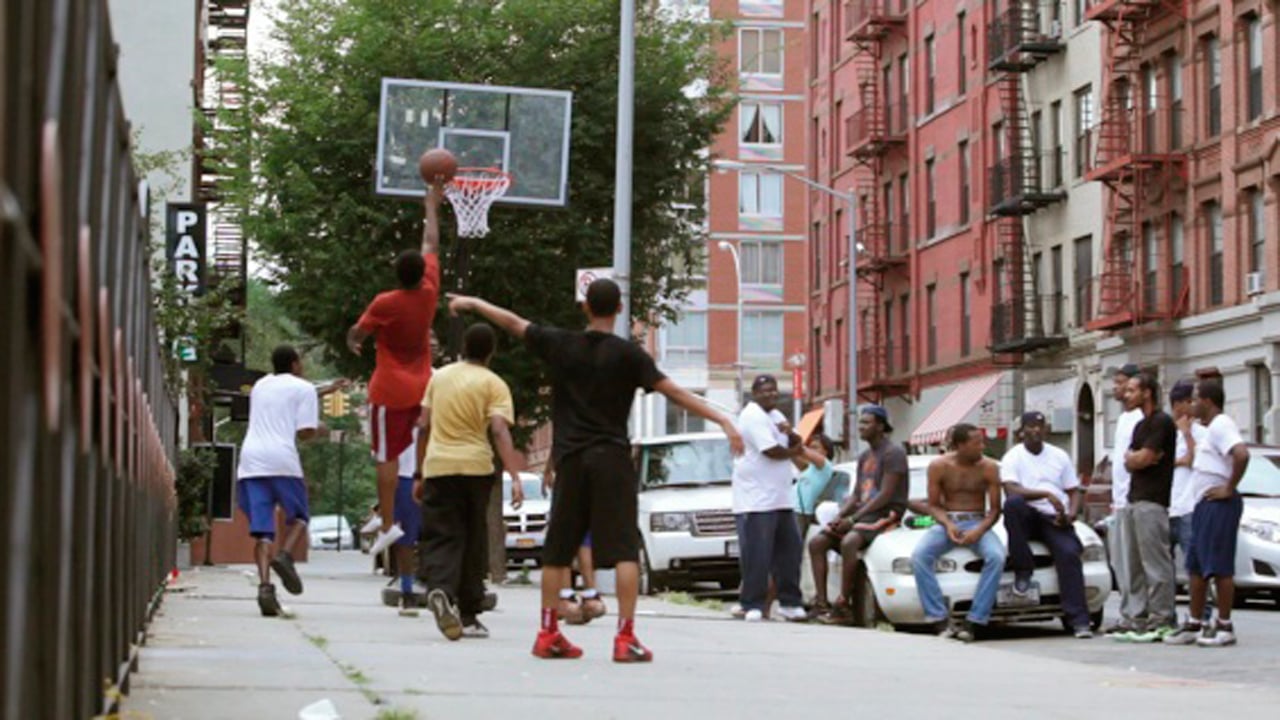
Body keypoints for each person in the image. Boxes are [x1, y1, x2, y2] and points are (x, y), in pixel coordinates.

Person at [448, 279, 743, 662]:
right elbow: (675, 392)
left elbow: (514, 323)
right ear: (619, 310)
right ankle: (625, 638)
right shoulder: (629, 355)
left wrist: (474, 301)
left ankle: (548, 633)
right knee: (623, 550)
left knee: (557, 551)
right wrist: (722, 419)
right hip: (612, 459)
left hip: (571, 460)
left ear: (585, 307)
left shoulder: (561, 344)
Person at [347, 185, 443, 557]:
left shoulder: (385, 302)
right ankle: (380, 515)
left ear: (395, 273)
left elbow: (359, 331)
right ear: (422, 273)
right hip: (421, 387)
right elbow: (431, 241)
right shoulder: (430, 293)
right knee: (405, 451)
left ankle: (387, 525)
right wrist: (431, 206)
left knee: (385, 457)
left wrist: (352, 340)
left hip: (388, 390)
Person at [415, 323, 523, 641]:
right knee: (473, 538)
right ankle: (469, 614)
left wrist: (420, 472)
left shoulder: (440, 378)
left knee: (440, 535)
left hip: (438, 467)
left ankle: (440, 590)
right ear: (491, 352)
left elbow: (422, 426)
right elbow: (500, 430)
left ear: (463, 345)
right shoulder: (494, 383)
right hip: (476, 468)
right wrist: (514, 474)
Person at [235, 346, 334, 617]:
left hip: (251, 461)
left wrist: (326, 390)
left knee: (263, 531)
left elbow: (287, 398)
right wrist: (321, 430)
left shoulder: (260, 386)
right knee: (300, 517)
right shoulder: (302, 389)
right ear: (294, 364)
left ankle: (265, 587)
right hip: (282, 460)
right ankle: (286, 555)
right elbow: (304, 432)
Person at [1164, 379, 1250, 647]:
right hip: (1202, 504)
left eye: (1196, 399)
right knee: (1196, 566)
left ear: (1209, 402)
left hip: (1219, 504)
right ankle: (1195, 622)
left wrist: (1229, 487)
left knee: (1219, 566)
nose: (1192, 404)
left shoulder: (1222, 424)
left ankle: (1224, 625)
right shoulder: (1208, 429)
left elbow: (1242, 454)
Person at [809, 405, 907, 625]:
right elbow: (856, 494)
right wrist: (840, 516)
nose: (861, 427)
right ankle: (822, 604)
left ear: (881, 426)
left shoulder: (894, 453)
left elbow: (886, 494)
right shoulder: (864, 456)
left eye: (866, 423)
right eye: (860, 423)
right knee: (817, 542)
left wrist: (852, 520)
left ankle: (843, 605)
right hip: (863, 515)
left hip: (886, 514)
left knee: (850, 541)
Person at [1000, 411, 1092, 638]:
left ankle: (1079, 621)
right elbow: (1011, 489)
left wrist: (1070, 514)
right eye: (1030, 426)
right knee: (1012, 505)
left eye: (1040, 426)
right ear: (1021, 431)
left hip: (1053, 517)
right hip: (1028, 515)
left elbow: (1073, 490)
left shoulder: (1059, 455)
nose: (1036, 431)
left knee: (1069, 553)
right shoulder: (1013, 456)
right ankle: (1023, 569)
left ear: (1046, 430)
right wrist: (1044, 494)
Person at [912, 423, 1005, 642]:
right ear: (961, 445)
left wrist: (978, 531)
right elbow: (934, 505)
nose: (982, 446)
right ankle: (938, 618)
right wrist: (948, 524)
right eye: (977, 443)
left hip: (977, 520)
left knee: (997, 557)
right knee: (919, 556)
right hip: (949, 519)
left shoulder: (989, 467)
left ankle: (975, 620)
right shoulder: (939, 466)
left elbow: (995, 510)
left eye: (982, 442)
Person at [732, 375, 808, 623]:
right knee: (757, 555)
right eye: (764, 391)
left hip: (781, 496)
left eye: (773, 391)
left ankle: (790, 602)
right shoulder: (752, 416)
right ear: (754, 393)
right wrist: (794, 451)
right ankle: (751, 603)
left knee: (789, 552)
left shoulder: (776, 416)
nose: (770, 395)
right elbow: (772, 451)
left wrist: (791, 434)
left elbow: (797, 441)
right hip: (756, 499)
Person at [1115, 372, 1178, 641]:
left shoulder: (1162, 422)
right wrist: (1136, 458)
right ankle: (1136, 618)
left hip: (1153, 500)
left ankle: (1161, 617)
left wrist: (1140, 458)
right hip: (1133, 499)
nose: (1125, 395)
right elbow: (1130, 460)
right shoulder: (1140, 426)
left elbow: (1146, 457)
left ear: (1147, 393)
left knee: (1155, 562)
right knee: (1134, 564)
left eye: (1131, 390)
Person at [1106, 362, 1146, 635]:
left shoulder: (1142, 419)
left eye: (1122, 383)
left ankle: (1138, 615)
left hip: (1135, 501)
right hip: (1120, 501)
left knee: (1134, 563)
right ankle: (1127, 613)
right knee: (1121, 563)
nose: (1116, 388)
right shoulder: (1122, 419)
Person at [544, 464, 609, 625]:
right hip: (591, 476)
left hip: (568, 474)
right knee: (584, 538)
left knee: (564, 537)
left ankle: (567, 598)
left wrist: (548, 469)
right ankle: (591, 595)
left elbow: (558, 443)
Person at [1167, 381, 1202, 585]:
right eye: (1190, 401)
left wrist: (1187, 433)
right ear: (1178, 404)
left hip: (1189, 507)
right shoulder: (1165, 430)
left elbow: (1194, 460)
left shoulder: (1200, 432)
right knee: (1163, 565)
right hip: (1166, 506)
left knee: (1194, 563)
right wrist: (1179, 461)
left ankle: (1201, 613)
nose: (1194, 406)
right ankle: (1166, 612)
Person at [390, 431, 424, 617]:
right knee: (406, 536)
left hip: (440, 468)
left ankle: (445, 587)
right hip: (405, 473)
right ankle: (407, 589)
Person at [793, 433, 847, 539]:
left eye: (815, 447)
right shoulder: (810, 468)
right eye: (810, 447)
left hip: (800, 512)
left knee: (792, 547)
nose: (811, 450)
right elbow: (794, 456)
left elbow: (802, 451)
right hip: (791, 509)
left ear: (826, 451)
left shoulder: (825, 466)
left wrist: (791, 440)